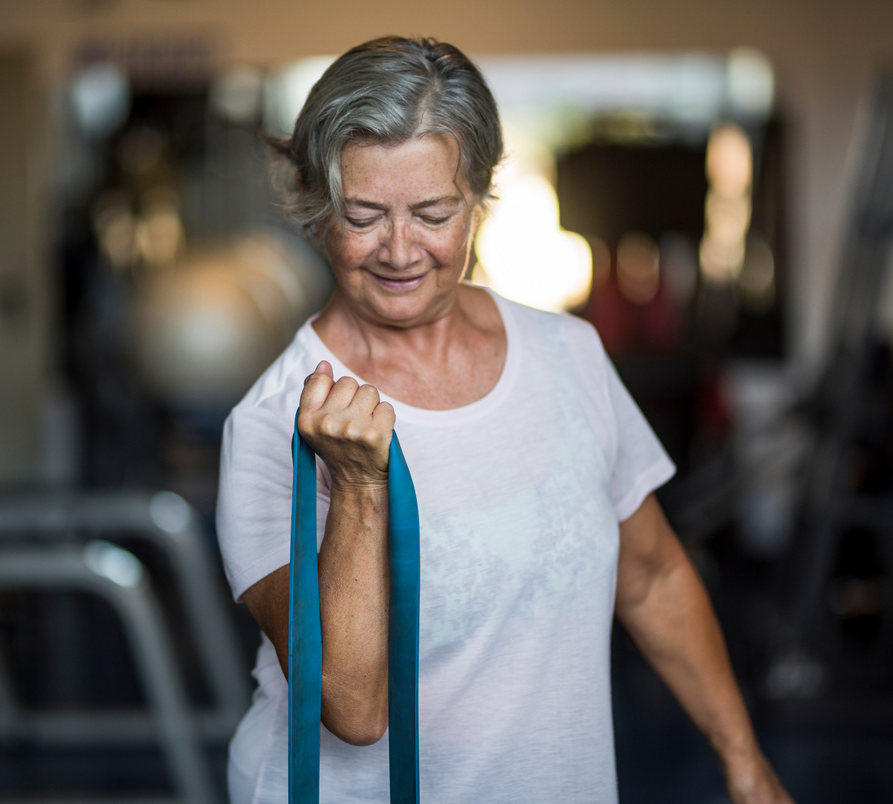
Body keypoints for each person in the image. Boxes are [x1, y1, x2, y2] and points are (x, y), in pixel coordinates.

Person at [216, 35, 793, 804]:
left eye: (431, 213)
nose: (398, 250)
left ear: (481, 198)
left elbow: (652, 576)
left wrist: (743, 757)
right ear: (319, 210)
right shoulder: (271, 424)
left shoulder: (567, 354)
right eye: (363, 215)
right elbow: (351, 709)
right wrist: (356, 487)